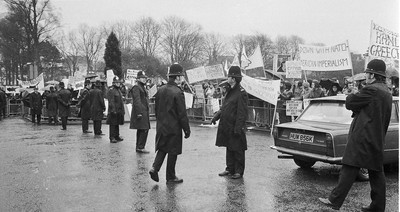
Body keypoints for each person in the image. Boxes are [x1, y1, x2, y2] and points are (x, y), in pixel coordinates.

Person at [318, 59, 392, 211]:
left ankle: (334, 200)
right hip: (377, 137)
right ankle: (377, 206)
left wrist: (353, 93)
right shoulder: (386, 91)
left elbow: (350, 103)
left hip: (363, 136)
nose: (366, 75)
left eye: (367, 73)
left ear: (372, 74)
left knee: (349, 166)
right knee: (376, 172)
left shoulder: (371, 90)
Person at [149, 63, 190, 184]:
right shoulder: (178, 92)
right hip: (174, 127)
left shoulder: (160, 90)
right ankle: (170, 176)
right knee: (173, 151)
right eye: (181, 76)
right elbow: (182, 114)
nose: (181, 78)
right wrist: (186, 130)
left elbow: (156, 110)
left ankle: (154, 168)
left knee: (162, 148)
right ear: (177, 77)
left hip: (162, 125)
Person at [210, 66, 249, 179]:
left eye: (229, 76)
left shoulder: (241, 93)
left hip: (235, 126)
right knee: (230, 147)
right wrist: (216, 117)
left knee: (238, 149)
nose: (227, 78)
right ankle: (230, 169)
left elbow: (242, 113)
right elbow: (225, 107)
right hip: (227, 125)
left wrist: (238, 127)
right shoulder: (230, 91)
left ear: (233, 78)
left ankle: (238, 171)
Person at [129, 71, 151, 153]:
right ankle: (140, 146)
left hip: (143, 110)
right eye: (142, 78)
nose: (144, 79)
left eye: (145, 78)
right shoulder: (137, 87)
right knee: (144, 129)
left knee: (142, 129)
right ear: (138, 79)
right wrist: (139, 112)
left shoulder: (141, 87)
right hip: (141, 111)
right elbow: (137, 100)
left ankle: (139, 146)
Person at [106, 76, 125, 143]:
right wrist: (113, 110)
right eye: (116, 83)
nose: (118, 84)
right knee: (113, 124)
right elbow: (111, 101)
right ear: (113, 83)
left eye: (118, 82)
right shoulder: (112, 90)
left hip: (119, 110)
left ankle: (117, 136)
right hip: (113, 110)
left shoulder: (118, 90)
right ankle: (112, 137)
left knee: (117, 123)